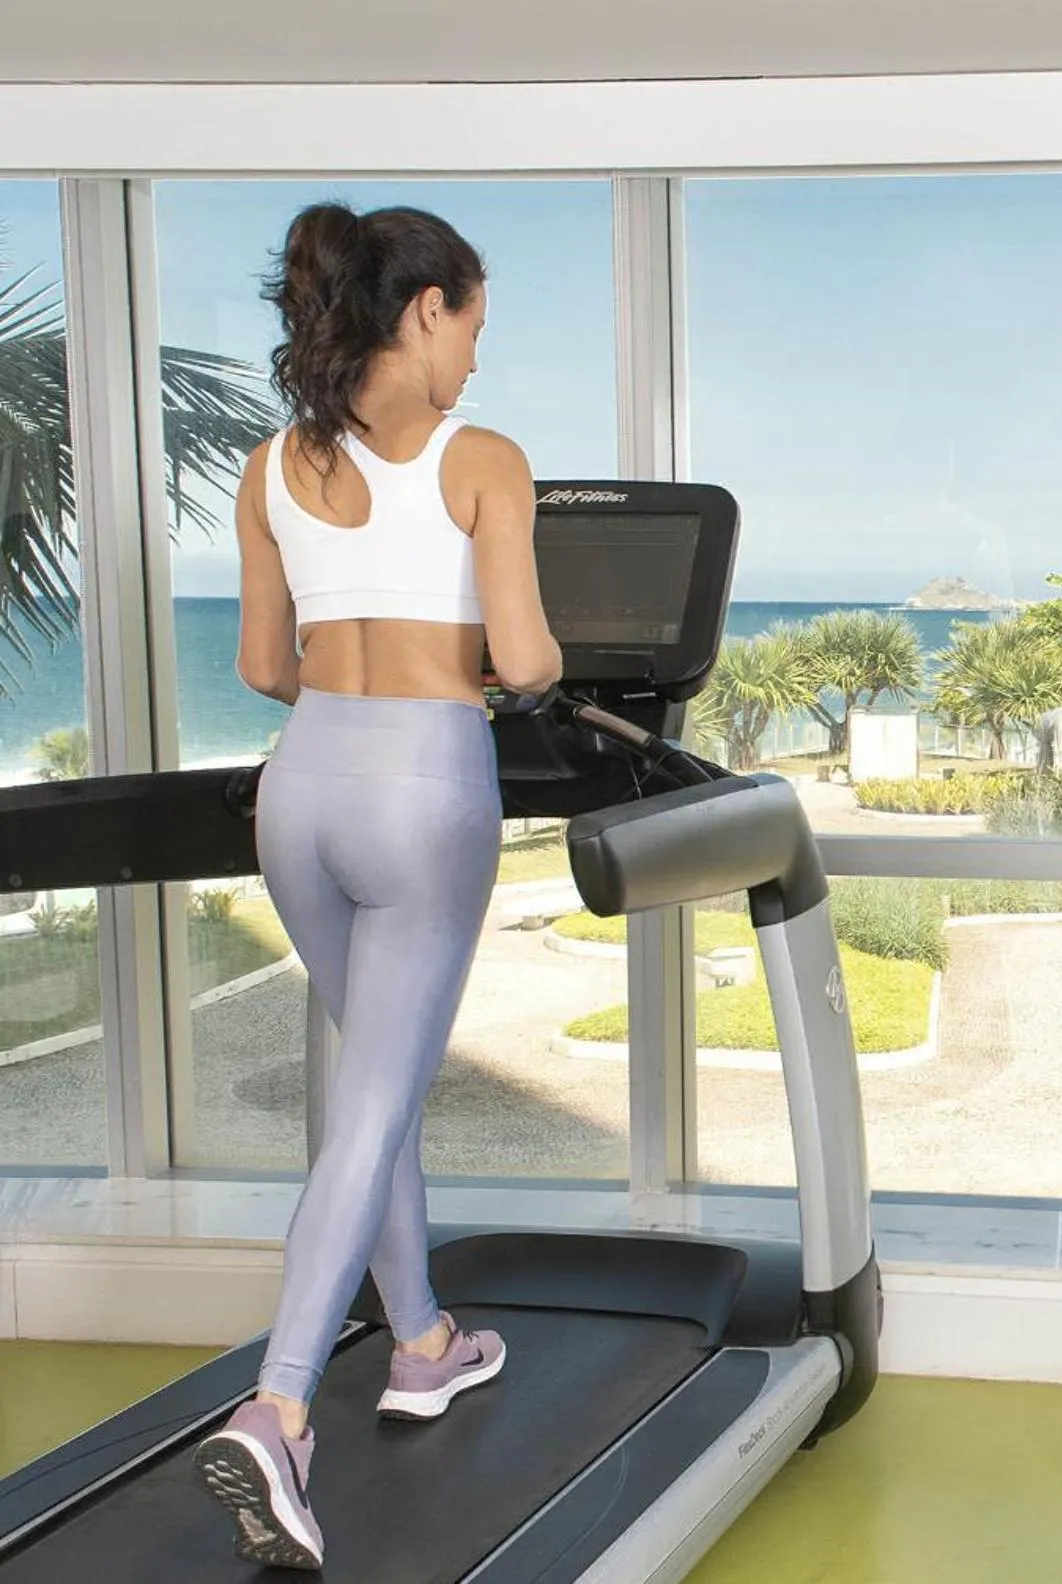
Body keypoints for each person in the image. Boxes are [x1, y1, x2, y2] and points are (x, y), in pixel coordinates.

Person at [191, 202, 563, 1571]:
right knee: (373, 1106)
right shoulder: (484, 459)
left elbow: (262, 663)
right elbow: (522, 660)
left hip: (302, 790)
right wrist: (504, 663)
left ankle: (421, 1346)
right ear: (426, 309)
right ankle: (280, 1408)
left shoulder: (271, 463)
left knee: (373, 1093)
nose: (473, 352)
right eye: (471, 320)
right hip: (422, 790)